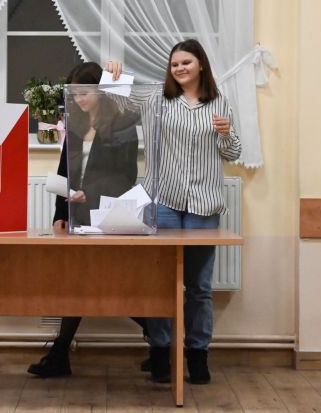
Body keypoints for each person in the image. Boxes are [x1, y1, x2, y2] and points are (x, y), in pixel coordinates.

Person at [106, 39, 241, 385]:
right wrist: (113, 75)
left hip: (204, 206)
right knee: (161, 283)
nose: (180, 68)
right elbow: (117, 100)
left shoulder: (220, 102)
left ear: (201, 65)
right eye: (175, 64)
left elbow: (233, 152)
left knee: (199, 287)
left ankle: (198, 356)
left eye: (186, 62)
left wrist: (226, 135)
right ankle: (161, 354)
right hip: (163, 201)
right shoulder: (157, 99)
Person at [27, 61, 145, 378]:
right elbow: (66, 170)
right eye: (74, 94)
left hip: (108, 214)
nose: (79, 99)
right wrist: (60, 213)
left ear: (100, 91)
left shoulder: (120, 124)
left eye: (85, 93)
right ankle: (60, 353)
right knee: (77, 283)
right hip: (77, 214)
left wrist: (89, 194)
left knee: (110, 285)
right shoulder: (76, 124)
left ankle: (160, 337)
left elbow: (125, 175)